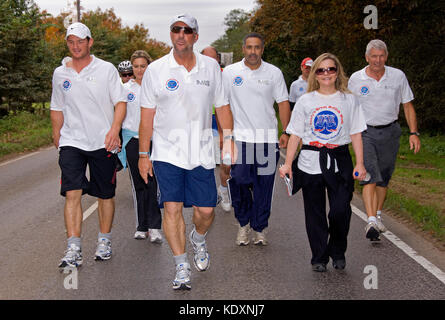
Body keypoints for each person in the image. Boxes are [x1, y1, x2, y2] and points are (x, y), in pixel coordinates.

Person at [138, 14, 236, 290]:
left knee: (206, 210)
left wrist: (228, 140)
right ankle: (181, 266)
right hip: (167, 153)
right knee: (172, 208)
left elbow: (223, 107)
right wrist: (143, 155)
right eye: (175, 30)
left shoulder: (210, 68)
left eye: (187, 30)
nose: (180, 34)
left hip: (201, 152)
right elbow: (146, 117)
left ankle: (199, 238)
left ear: (195, 36)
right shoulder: (156, 70)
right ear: (171, 34)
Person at [279, 53, 367, 272]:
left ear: (337, 72)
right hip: (310, 161)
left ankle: (337, 250)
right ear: (315, 74)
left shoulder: (349, 100)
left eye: (331, 69)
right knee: (314, 212)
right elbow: (296, 135)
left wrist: (360, 163)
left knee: (340, 210)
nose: (326, 74)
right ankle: (319, 256)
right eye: (321, 70)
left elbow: (356, 133)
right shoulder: (306, 101)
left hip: (340, 160)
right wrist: (288, 164)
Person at [50, 22, 127, 268]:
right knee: (72, 192)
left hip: (102, 141)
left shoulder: (105, 69)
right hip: (72, 141)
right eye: (71, 41)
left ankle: (104, 241)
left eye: (80, 41)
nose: (76, 46)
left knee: (104, 194)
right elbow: (57, 107)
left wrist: (115, 130)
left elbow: (121, 102)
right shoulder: (60, 73)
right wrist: (57, 134)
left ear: (90, 42)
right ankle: (73, 247)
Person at [223, 32, 291, 246]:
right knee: (240, 181)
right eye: (249, 47)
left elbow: (283, 103)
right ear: (243, 48)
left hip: (267, 140)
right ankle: (243, 223)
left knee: (264, 186)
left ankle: (259, 227)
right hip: (240, 139)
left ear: (262, 49)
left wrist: (286, 131)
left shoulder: (274, 73)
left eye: (257, 47)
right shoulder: (230, 73)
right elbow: (222, 106)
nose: (253, 51)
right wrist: (226, 137)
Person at [348, 39, 421, 241]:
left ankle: (377, 215)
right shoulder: (356, 79)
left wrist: (414, 133)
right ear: (367, 57)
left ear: (386, 57)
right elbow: (349, 107)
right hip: (365, 132)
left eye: (381, 56)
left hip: (390, 131)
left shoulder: (397, 76)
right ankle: (370, 220)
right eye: (374, 56)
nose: (377, 60)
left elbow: (407, 105)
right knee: (369, 172)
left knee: (384, 177)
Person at [118, 50, 163, 243]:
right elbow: (118, 114)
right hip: (132, 140)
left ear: (148, 66)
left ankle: (154, 227)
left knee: (152, 183)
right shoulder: (124, 89)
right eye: (135, 66)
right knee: (138, 184)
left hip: (154, 140)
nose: (138, 70)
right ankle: (141, 226)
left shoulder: (156, 86)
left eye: (142, 66)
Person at [201, 45, 231, 212]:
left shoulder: (224, 76)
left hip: (221, 123)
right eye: (208, 58)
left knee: (227, 164)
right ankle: (210, 196)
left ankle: (224, 189)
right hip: (203, 126)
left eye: (215, 59)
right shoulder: (194, 74)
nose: (212, 62)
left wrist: (223, 133)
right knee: (205, 165)